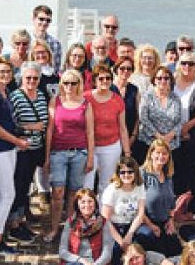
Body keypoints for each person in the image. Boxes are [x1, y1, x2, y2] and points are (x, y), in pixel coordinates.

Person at [0, 58, 30, 256]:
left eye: (8, 72)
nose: (4, 75)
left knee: (0, 194)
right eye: (1, 72)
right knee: (8, 194)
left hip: (9, 148)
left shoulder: (6, 93)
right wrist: (17, 141)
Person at [44, 69, 94, 242]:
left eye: (74, 83)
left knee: (73, 194)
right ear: (61, 84)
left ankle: (69, 230)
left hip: (79, 153)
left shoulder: (85, 103)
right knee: (57, 193)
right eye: (66, 83)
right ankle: (53, 229)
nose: (69, 86)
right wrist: (47, 156)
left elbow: (90, 132)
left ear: (79, 84)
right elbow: (50, 130)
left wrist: (90, 157)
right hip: (58, 152)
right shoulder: (55, 101)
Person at [8, 62, 49, 244]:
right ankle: (13, 226)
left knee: (26, 187)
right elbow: (10, 125)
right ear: (22, 78)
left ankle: (21, 221)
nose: (32, 81)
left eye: (35, 78)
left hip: (36, 148)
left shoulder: (41, 95)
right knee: (18, 186)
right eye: (28, 78)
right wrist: (30, 126)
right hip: (21, 149)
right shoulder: (15, 96)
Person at [58, 189, 115, 265]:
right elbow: (62, 251)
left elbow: (107, 253)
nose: (86, 205)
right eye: (82, 202)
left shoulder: (104, 223)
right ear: (77, 204)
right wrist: (82, 261)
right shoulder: (70, 222)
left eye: (90, 201)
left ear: (95, 203)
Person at [83, 64, 129, 195]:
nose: (105, 81)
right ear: (94, 80)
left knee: (107, 184)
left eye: (108, 78)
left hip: (111, 146)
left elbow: (123, 128)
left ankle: (104, 213)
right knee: (87, 182)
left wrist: (127, 153)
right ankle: (85, 213)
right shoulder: (86, 98)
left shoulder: (117, 100)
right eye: (101, 78)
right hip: (89, 146)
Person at [172, 52, 195, 201]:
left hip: (194, 135)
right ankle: (179, 207)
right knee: (176, 172)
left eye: (191, 64)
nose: (187, 67)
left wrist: (187, 127)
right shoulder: (171, 83)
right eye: (184, 63)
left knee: (194, 171)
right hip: (173, 136)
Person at [135, 139, 182, 257]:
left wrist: (171, 221)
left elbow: (172, 203)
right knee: (158, 250)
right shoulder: (142, 173)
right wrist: (151, 225)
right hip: (145, 223)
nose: (161, 156)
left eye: (164, 153)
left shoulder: (168, 175)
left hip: (164, 222)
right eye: (158, 153)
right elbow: (136, 205)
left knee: (175, 250)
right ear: (151, 154)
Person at [134, 66, 182, 171]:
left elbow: (180, 121)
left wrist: (170, 135)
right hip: (149, 144)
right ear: (154, 80)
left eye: (166, 78)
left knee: (170, 176)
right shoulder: (147, 97)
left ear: (170, 80)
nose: (163, 81)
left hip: (171, 145)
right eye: (159, 78)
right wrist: (159, 136)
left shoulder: (175, 98)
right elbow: (144, 119)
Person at [100, 157, 146, 265]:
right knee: (115, 248)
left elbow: (140, 214)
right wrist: (121, 241)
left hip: (132, 225)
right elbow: (105, 220)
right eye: (123, 172)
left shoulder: (140, 186)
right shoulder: (112, 190)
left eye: (130, 171)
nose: (126, 175)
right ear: (118, 173)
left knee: (146, 236)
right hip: (114, 226)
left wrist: (129, 234)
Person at [111, 57, 140, 152]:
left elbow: (138, 116)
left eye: (129, 68)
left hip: (130, 139)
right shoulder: (109, 88)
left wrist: (133, 136)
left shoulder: (134, 89)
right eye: (122, 68)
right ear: (116, 69)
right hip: (111, 139)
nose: (126, 71)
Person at [31, 5, 62, 71]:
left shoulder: (55, 44)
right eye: (41, 19)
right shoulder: (25, 42)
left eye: (48, 20)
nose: (44, 22)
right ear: (33, 19)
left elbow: (56, 69)